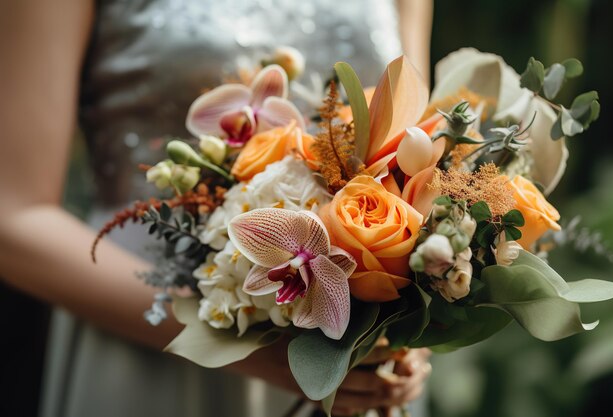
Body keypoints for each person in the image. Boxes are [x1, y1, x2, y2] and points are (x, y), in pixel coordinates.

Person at [0, 1, 434, 416]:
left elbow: (421, 153)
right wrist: (240, 347)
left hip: (355, 354)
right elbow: (13, 218)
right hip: (150, 335)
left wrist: (419, 319)